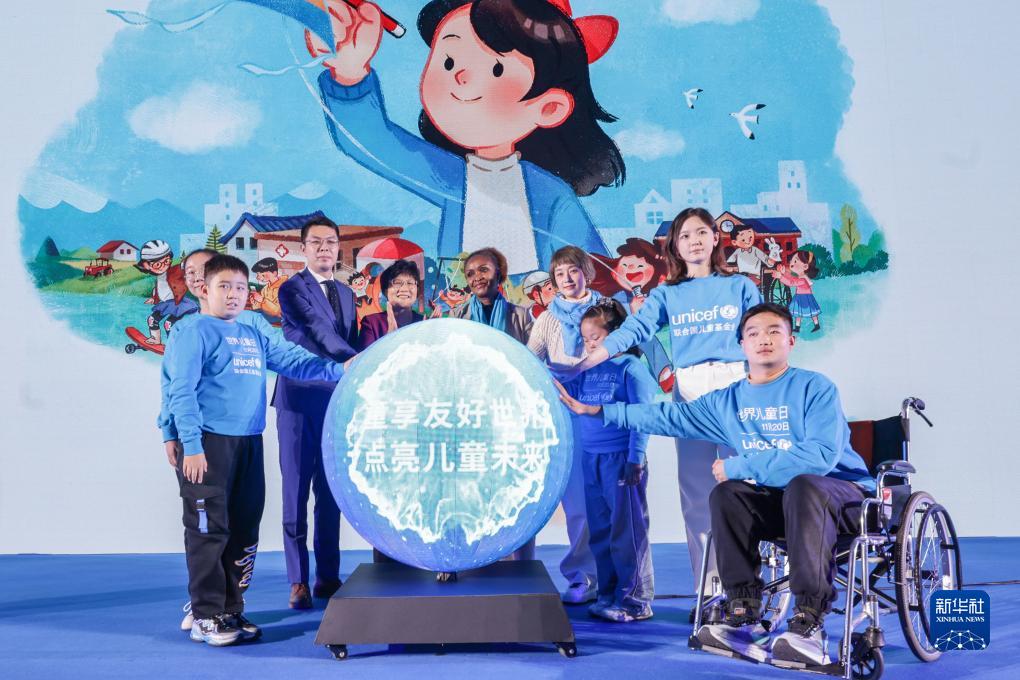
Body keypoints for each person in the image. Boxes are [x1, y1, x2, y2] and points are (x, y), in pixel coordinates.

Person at [558, 303, 876, 666]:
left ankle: (809, 623)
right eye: (753, 333)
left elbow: (819, 456)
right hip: (786, 502)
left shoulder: (815, 388)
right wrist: (601, 411)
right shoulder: (729, 401)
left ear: (791, 341)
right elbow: (671, 415)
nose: (764, 339)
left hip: (842, 499)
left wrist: (740, 465)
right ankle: (743, 613)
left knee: (804, 485)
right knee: (729, 494)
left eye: (774, 331)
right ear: (741, 345)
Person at [309, 0, 622, 274]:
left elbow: (597, 273)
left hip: (532, 307)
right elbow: (376, 145)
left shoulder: (551, 196)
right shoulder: (453, 177)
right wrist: (351, 73)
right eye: (448, 61)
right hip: (460, 305)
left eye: (497, 70)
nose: (460, 76)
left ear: (549, 107)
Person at [568, 208, 761, 610]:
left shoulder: (740, 285)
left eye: (701, 232)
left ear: (715, 238)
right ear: (675, 245)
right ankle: (710, 593)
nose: (693, 241)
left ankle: (748, 592)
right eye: (684, 235)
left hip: (735, 386)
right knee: (697, 495)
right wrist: (595, 356)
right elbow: (636, 330)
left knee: (744, 490)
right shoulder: (666, 294)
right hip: (689, 392)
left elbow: (760, 334)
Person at [165, 254, 344, 646]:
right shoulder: (193, 331)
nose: (233, 295)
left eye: (240, 288)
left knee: (244, 529)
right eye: (224, 287)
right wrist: (189, 444)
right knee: (208, 530)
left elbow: (291, 360)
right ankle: (205, 615)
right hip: (208, 443)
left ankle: (230, 608)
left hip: (249, 440)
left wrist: (339, 370)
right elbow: (180, 391)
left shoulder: (252, 327)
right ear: (205, 290)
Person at [273, 216, 360, 609]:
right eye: (316, 242)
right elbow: (319, 333)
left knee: (330, 492)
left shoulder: (347, 293)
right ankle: (298, 581)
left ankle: (328, 577)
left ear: (338, 247)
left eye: (331, 242)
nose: (324, 249)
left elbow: (350, 336)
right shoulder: (292, 288)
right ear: (303, 248)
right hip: (297, 402)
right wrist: (357, 360)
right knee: (295, 492)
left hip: (334, 403)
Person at [571, 299, 658, 623]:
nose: (590, 344)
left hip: (621, 461)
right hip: (590, 459)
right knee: (600, 532)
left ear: (617, 335)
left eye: (596, 337)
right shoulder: (587, 369)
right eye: (585, 338)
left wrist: (635, 459)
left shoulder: (630, 368)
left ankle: (635, 601)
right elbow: (565, 391)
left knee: (627, 532)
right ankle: (608, 594)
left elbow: (642, 418)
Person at [526, 245, 603, 604]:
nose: (567, 278)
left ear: (587, 271)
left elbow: (629, 354)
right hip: (567, 418)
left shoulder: (608, 311)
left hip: (606, 413)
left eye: (573, 270)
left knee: (615, 501)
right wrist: (555, 376)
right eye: (559, 273)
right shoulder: (547, 319)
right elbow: (531, 360)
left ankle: (622, 580)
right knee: (578, 503)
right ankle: (582, 576)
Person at [449, 247, 534, 562]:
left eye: (483, 270)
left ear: (500, 273)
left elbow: (533, 365)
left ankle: (521, 564)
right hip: (471, 418)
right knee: (470, 491)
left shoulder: (521, 316)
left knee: (516, 490)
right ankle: (473, 557)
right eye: (470, 273)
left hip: (511, 417)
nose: (476, 278)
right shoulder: (457, 318)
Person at [358, 260, 425, 348]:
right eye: (397, 283)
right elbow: (365, 356)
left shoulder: (424, 323)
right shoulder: (372, 323)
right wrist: (389, 339)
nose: (404, 288)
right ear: (385, 291)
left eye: (410, 283)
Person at [776, 250, 822, 333]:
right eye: (792, 260)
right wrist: (784, 273)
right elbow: (792, 279)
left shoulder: (803, 279)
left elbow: (791, 283)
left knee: (812, 312)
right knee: (798, 313)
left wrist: (781, 277)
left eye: (795, 261)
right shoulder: (800, 277)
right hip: (799, 296)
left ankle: (817, 325)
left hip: (806, 297)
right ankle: (797, 327)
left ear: (805, 266)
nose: (791, 263)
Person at [250, 257, 288, 323]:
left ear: (274, 273)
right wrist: (255, 303)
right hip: (267, 315)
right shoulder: (265, 289)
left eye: (263, 275)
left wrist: (262, 300)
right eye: (258, 275)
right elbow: (259, 308)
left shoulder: (285, 287)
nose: (258, 278)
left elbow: (278, 311)